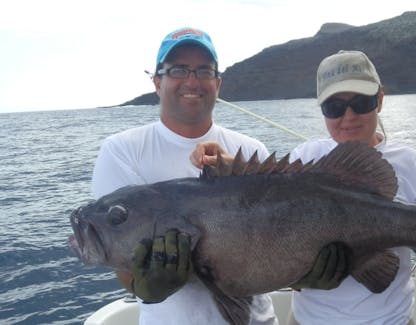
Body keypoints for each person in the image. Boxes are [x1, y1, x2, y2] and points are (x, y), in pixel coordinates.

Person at [191, 49, 416, 325]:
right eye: (335, 107)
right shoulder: (305, 156)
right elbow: (256, 212)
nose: (349, 116)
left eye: (362, 102)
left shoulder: (411, 162)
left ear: (381, 101)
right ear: (322, 111)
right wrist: (223, 165)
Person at [92, 27, 347, 325]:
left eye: (203, 70)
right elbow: (120, 254)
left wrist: (305, 275)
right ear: (157, 82)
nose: (192, 80)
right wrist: (143, 287)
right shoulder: (123, 151)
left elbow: (273, 246)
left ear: (218, 83)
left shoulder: (249, 149)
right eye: (178, 70)